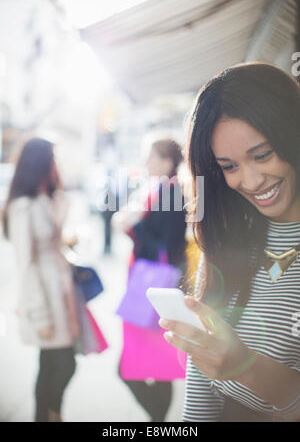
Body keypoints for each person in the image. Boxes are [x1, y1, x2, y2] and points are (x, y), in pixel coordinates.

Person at [158, 63, 300, 422]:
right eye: (229, 166)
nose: (251, 181)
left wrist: (245, 367)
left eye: (262, 154)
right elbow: (202, 373)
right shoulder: (229, 234)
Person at [3, 138, 79, 422]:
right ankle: (52, 416)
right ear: (40, 164)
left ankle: (46, 416)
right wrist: (39, 314)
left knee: (50, 365)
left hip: (61, 293)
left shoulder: (43, 199)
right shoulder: (22, 206)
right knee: (63, 364)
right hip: (44, 300)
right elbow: (26, 265)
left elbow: (55, 233)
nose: (56, 166)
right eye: (52, 160)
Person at [113, 137, 187, 422]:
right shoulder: (160, 190)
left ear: (167, 162)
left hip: (156, 286)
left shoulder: (171, 192)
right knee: (154, 365)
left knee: (148, 367)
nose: (146, 162)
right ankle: (157, 420)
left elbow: (164, 243)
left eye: (151, 156)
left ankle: (157, 421)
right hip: (152, 285)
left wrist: (134, 224)